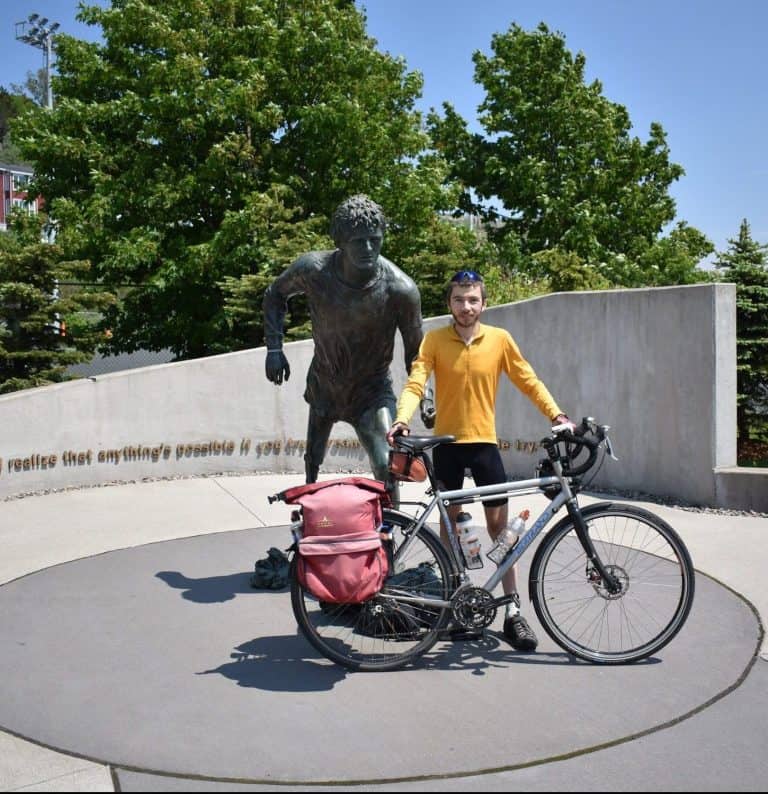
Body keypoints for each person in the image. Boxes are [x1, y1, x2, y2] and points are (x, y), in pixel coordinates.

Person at [386, 270, 572, 651]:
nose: (466, 306)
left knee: (501, 531)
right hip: (448, 446)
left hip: (485, 445)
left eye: (473, 299)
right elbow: (416, 382)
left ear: (484, 304)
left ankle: (512, 611)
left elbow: (528, 380)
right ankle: (457, 602)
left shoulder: (500, 340)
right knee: (449, 530)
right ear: (449, 303)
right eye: (459, 299)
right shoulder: (435, 340)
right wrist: (402, 418)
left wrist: (556, 415)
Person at [263, 195, 423, 489]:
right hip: (325, 383)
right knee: (313, 458)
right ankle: (309, 508)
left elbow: (416, 355)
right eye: (358, 241)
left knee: (386, 464)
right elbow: (275, 294)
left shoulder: (400, 289)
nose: (368, 248)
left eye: (374, 240)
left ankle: (389, 520)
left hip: (371, 392)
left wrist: (426, 396)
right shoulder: (313, 270)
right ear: (340, 241)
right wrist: (274, 348)